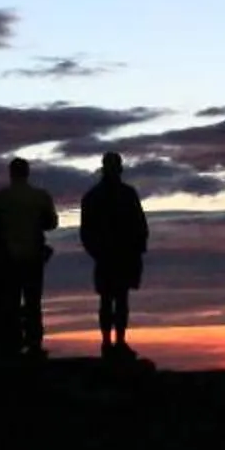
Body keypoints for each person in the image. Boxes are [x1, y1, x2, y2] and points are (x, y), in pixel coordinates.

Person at [0, 156, 59, 358]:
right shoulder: (40, 196)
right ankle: (34, 344)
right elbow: (52, 223)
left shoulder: (0, 198)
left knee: (11, 301)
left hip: (8, 256)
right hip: (33, 255)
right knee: (33, 302)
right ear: (27, 173)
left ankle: (13, 343)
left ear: (11, 173)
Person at [79, 150, 149, 358]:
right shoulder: (117, 194)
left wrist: (137, 248)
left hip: (117, 255)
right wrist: (98, 251)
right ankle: (111, 342)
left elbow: (140, 225)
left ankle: (114, 342)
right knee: (114, 300)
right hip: (112, 255)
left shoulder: (99, 195)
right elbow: (87, 232)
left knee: (113, 300)